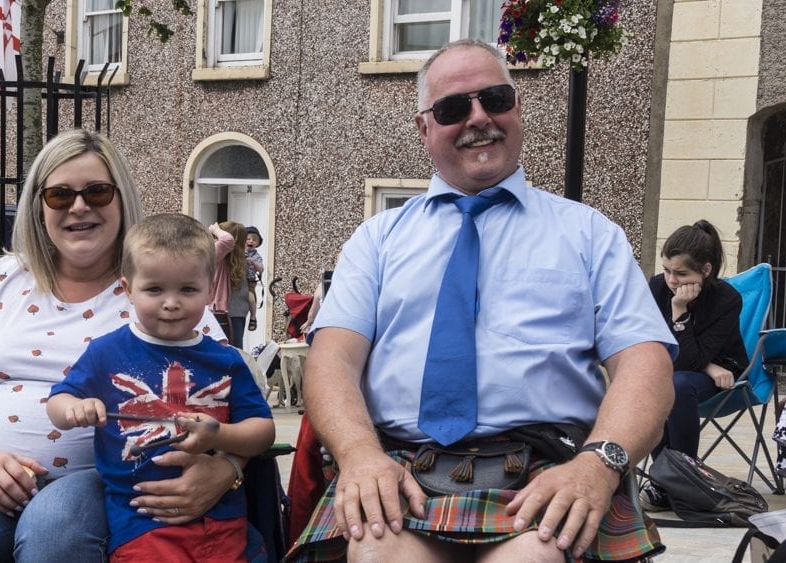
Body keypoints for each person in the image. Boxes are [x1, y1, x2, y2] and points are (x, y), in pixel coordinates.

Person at [289, 39, 677, 562]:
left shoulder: (589, 234)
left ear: (516, 107)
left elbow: (644, 362)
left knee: (536, 557)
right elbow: (332, 358)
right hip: (399, 467)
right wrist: (359, 455)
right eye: (453, 108)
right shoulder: (377, 238)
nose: (478, 118)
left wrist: (597, 464)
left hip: (546, 469)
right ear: (424, 128)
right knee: (378, 553)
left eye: (494, 98)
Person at [0, 130, 243, 562]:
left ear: (121, 200)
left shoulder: (161, 291)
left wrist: (229, 469)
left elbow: (234, 401)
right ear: (38, 206)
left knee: (55, 532)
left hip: (102, 475)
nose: (79, 207)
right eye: (60, 195)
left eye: (98, 192)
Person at [47, 212, 275, 562]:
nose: (171, 303)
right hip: (142, 523)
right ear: (128, 290)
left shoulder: (226, 360)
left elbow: (263, 432)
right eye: (154, 289)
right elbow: (58, 401)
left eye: (188, 289)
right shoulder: (105, 352)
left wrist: (219, 437)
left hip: (222, 520)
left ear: (209, 285)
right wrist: (72, 409)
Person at [639, 220, 747, 511]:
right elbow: (652, 343)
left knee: (679, 383)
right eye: (667, 270)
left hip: (724, 373)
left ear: (706, 270)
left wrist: (679, 311)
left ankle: (682, 480)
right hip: (675, 367)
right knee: (650, 381)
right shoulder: (657, 288)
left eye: (681, 273)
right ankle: (667, 480)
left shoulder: (727, 299)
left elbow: (689, 360)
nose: (672, 280)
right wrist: (706, 365)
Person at [209, 221, 249, 348]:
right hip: (234, 313)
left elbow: (227, 240)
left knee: (223, 351)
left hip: (222, 313)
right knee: (235, 351)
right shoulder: (227, 258)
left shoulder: (218, 256)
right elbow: (228, 241)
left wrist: (215, 229)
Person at [244, 226, 265, 332]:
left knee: (251, 298)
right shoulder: (238, 251)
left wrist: (254, 263)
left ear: (257, 243)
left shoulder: (256, 255)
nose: (251, 241)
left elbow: (261, 269)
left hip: (249, 281)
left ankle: (253, 317)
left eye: (254, 239)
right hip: (238, 279)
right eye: (248, 239)